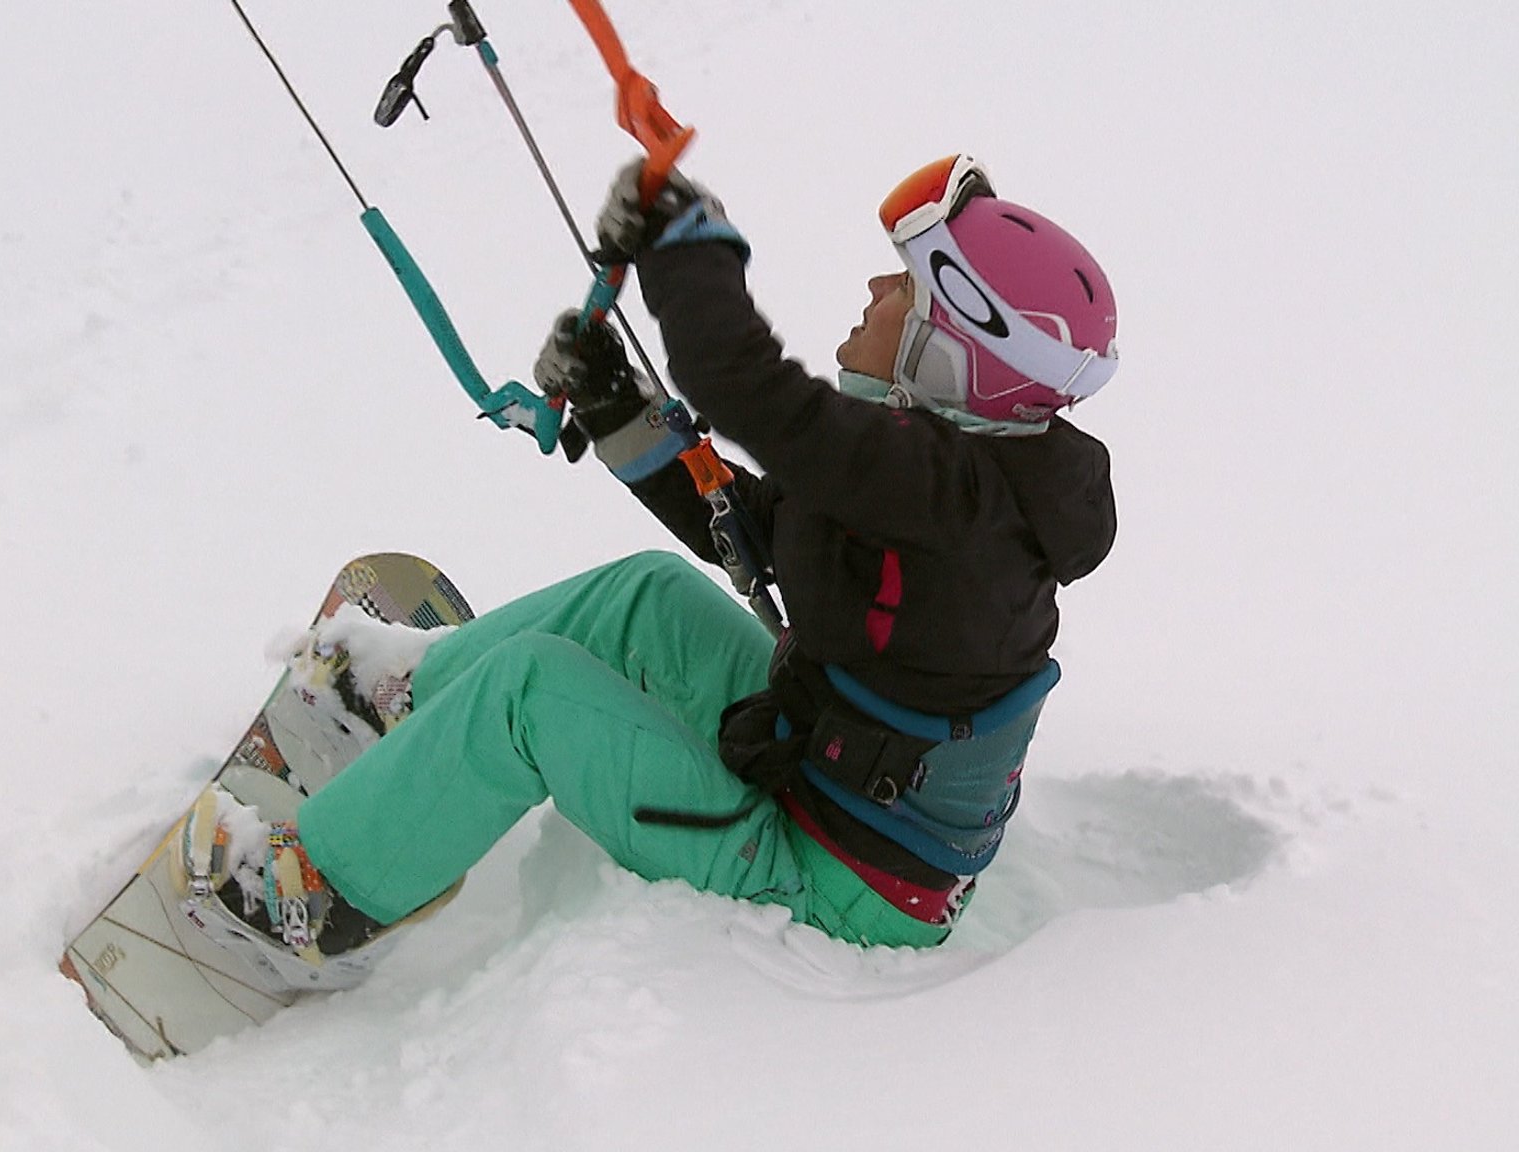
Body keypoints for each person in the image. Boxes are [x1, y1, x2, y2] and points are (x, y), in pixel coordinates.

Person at [190, 154, 1120, 974]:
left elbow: (747, 389)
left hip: (839, 885)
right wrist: (617, 407)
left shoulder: (944, 497)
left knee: (531, 693)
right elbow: (765, 534)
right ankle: (414, 701)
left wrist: (686, 243)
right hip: (820, 758)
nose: (878, 288)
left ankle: (316, 896)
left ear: (951, 357)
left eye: (906, 291)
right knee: (648, 593)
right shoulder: (957, 484)